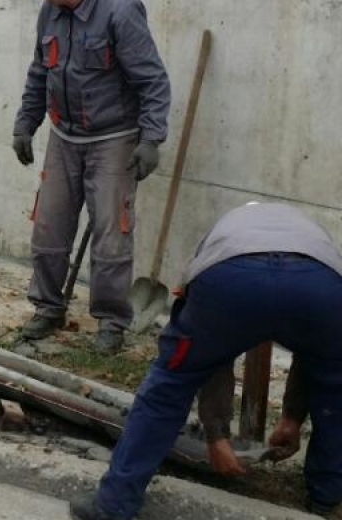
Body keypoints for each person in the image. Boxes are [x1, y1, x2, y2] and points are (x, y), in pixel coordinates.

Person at [69, 202, 342, 520]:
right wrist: (292, 419)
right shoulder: (309, 231)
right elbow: (313, 358)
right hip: (319, 285)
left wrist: (217, 436)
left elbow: (212, 360)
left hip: (231, 278)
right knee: (334, 382)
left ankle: (114, 505)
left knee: (170, 385)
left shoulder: (224, 230)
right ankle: (327, 498)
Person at [11, 0, 171, 352]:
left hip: (113, 139)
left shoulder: (120, 10)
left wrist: (151, 139)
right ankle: (48, 307)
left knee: (110, 238)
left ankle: (110, 323)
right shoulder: (51, 12)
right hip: (65, 137)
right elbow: (38, 73)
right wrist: (25, 124)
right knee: (48, 226)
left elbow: (152, 80)